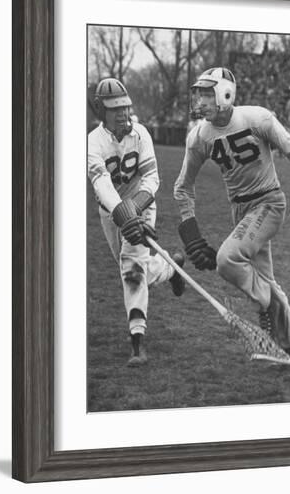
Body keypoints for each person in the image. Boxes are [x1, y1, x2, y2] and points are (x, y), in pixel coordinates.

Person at [174, 67, 290, 363]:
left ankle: (264, 307)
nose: (199, 101)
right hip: (240, 210)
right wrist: (192, 237)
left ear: (225, 93)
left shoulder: (256, 118)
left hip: (269, 203)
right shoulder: (199, 136)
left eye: (207, 94)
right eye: (198, 94)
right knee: (266, 280)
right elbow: (182, 188)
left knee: (227, 260)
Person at [88, 78, 185, 367]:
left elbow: (152, 178)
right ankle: (171, 266)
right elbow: (100, 182)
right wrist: (122, 213)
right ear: (100, 111)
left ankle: (137, 342)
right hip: (112, 212)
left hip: (142, 204)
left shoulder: (141, 134)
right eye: (115, 108)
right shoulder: (93, 142)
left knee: (131, 269)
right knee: (133, 266)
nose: (123, 113)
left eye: (125, 107)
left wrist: (135, 209)